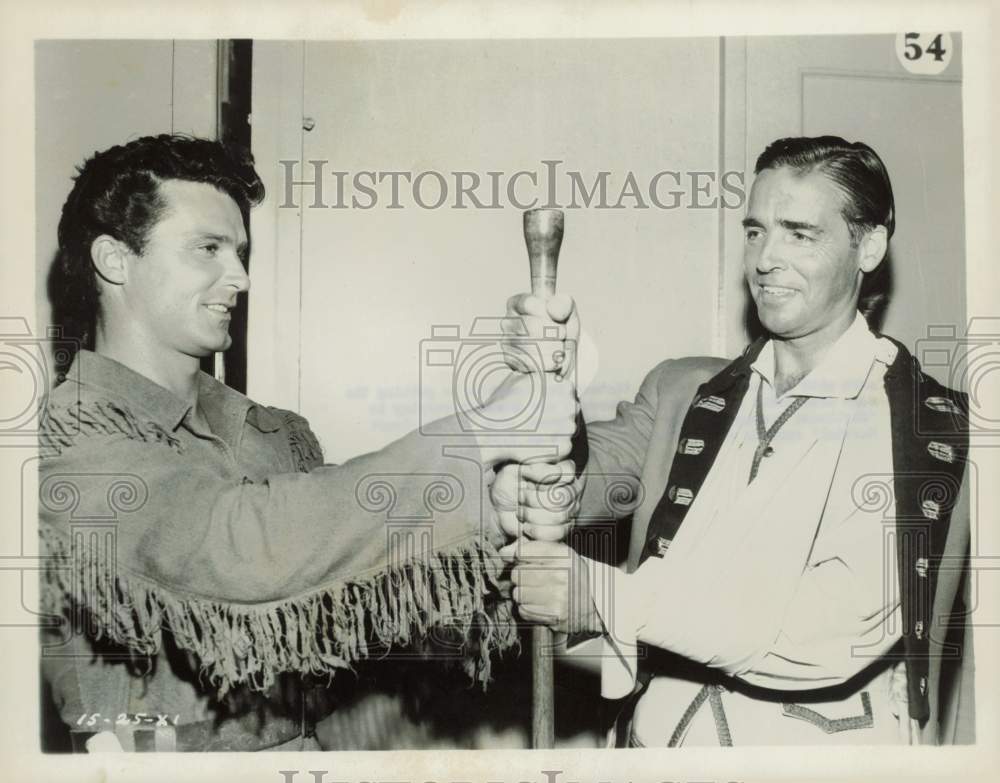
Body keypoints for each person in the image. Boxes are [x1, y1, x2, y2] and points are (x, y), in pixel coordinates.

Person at [39, 134, 582, 751]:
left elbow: (350, 601)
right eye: (208, 249)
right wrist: (480, 435)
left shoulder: (274, 433)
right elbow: (238, 551)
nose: (239, 277)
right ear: (115, 260)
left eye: (241, 252)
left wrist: (494, 504)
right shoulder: (66, 438)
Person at [507, 136, 973, 746]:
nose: (765, 259)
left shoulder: (927, 428)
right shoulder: (684, 392)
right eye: (755, 231)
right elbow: (561, 488)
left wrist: (604, 599)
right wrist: (543, 387)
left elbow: (820, 636)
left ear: (870, 246)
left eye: (800, 234)